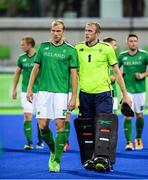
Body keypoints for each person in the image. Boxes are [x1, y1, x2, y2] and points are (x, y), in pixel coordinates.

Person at [75, 22, 131, 172]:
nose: (86, 33)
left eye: (90, 31)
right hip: (85, 94)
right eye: (85, 30)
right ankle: (91, 158)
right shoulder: (77, 48)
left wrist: (125, 94)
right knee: (88, 128)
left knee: (104, 126)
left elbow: (117, 72)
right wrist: (73, 96)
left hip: (104, 94)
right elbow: (73, 72)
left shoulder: (107, 49)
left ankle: (104, 159)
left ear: (97, 33)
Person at [26, 19, 78, 172]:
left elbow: (74, 75)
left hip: (61, 94)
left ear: (63, 31)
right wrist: (30, 89)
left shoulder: (70, 50)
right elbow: (35, 69)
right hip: (43, 92)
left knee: (60, 126)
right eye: (53, 31)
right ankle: (54, 149)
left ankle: (56, 160)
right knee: (43, 127)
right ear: (51, 31)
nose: (56, 33)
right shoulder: (43, 47)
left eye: (59, 31)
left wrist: (74, 96)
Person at [12, 37, 44, 150]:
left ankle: (40, 141)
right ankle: (29, 142)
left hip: (40, 92)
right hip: (26, 92)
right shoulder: (21, 58)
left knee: (41, 118)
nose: (21, 46)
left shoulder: (40, 56)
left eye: (23, 45)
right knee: (27, 115)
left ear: (30, 45)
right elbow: (17, 74)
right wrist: (14, 89)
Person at [118, 33, 148, 151]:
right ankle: (129, 142)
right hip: (127, 91)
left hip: (140, 90)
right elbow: (115, 70)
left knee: (139, 115)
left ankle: (138, 138)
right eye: (131, 41)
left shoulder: (144, 55)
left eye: (135, 41)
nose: (133, 43)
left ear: (137, 42)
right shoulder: (122, 56)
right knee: (128, 115)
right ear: (127, 42)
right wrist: (120, 74)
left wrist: (143, 74)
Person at [103, 37, 118, 114]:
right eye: (114, 45)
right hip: (101, 93)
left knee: (113, 117)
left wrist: (115, 76)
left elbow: (117, 75)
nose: (116, 47)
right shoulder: (100, 60)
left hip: (113, 93)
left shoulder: (116, 59)